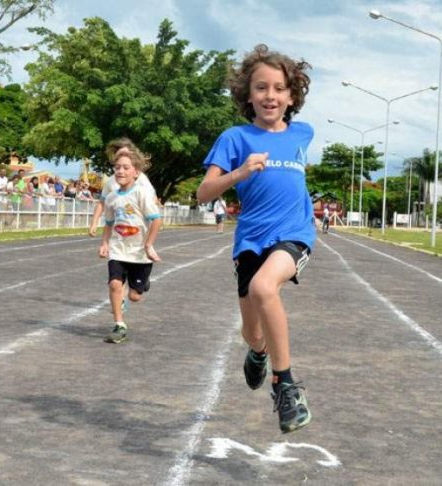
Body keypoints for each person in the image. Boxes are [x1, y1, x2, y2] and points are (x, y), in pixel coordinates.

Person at [196, 44, 314, 433]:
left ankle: (286, 386)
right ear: (248, 94)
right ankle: (259, 351)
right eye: (261, 88)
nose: (270, 96)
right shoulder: (235, 138)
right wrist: (240, 173)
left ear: (292, 95)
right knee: (251, 329)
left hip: (294, 234)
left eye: (279, 88)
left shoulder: (303, 133)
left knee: (266, 288)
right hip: (250, 240)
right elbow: (204, 192)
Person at [98, 149, 162, 344]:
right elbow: (109, 224)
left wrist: (149, 245)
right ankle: (119, 324)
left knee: (134, 296)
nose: (120, 171)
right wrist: (105, 243)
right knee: (115, 284)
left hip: (139, 253)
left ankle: (141, 284)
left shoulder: (142, 194)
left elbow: (156, 221)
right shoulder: (111, 198)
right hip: (119, 249)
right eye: (117, 167)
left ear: (136, 172)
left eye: (126, 167)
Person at [88, 137, 156, 237]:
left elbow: (153, 200)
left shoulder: (141, 178)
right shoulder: (111, 181)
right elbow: (101, 204)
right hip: (117, 232)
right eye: (120, 153)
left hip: (137, 234)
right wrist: (94, 224)